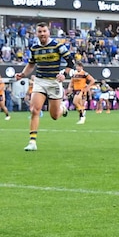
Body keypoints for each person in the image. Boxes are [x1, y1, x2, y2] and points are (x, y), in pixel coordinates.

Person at [14, 22, 74, 151]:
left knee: (54, 116)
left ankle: (62, 108)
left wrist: (64, 73)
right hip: (40, 81)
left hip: (54, 82)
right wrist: (23, 74)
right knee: (34, 110)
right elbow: (31, 64)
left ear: (48, 32)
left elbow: (71, 62)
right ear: (36, 33)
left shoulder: (58, 46)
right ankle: (32, 142)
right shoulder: (34, 48)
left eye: (44, 31)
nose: (42, 34)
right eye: (39, 32)